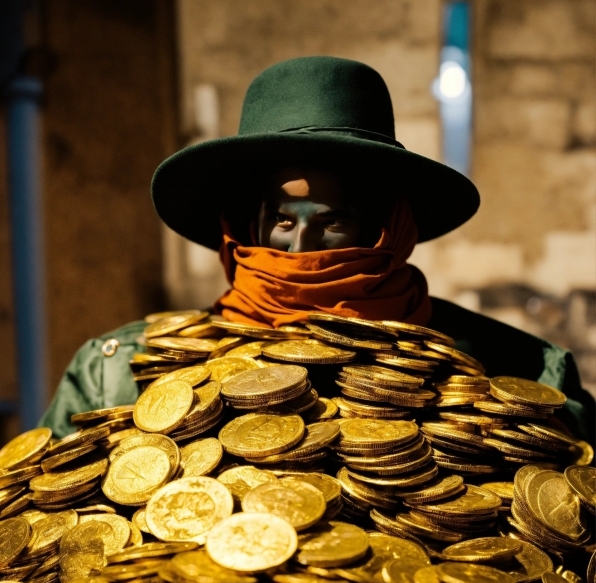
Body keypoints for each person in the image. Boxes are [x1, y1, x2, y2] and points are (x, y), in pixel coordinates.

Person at [40, 56, 595, 443]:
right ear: (243, 227)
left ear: (389, 228)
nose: (302, 248)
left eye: (333, 224)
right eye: (282, 220)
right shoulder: (114, 375)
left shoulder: (523, 376)